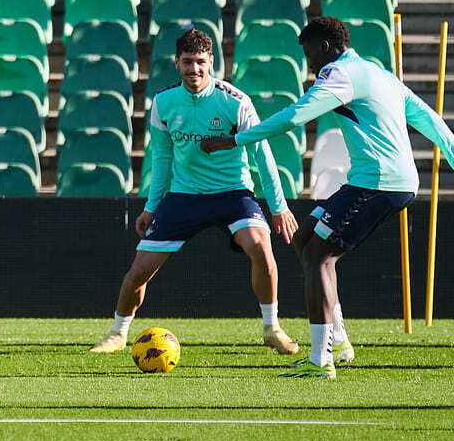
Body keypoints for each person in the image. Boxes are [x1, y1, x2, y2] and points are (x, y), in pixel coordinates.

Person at [202, 16, 454, 379]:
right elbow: (429, 117)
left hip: (379, 182)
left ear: (325, 47)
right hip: (378, 181)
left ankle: (320, 359)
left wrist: (234, 140)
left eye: (309, 53)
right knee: (306, 236)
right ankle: (337, 342)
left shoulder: (338, 74)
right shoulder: (379, 74)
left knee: (318, 255)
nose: (308, 63)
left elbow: (296, 116)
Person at [92, 29, 301, 356]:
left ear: (212, 63)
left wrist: (278, 207)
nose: (194, 70)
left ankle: (272, 328)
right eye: (187, 62)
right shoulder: (163, 103)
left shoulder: (235, 101)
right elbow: (161, 158)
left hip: (233, 194)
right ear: (176, 63)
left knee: (261, 247)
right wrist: (151, 207)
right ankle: (118, 334)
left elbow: (262, 155)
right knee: (139, 270)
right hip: (184, 197)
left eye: (201, 62)